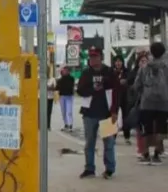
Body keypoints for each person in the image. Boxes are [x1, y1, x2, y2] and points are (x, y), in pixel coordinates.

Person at [76, 48, 118, 179]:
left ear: (101, 57)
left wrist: (114, 111)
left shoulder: (109, 72)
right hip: (89, 113)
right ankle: (89, 168)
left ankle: (110, 168)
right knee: (89, 142)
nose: (93, 59)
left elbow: (116, 92)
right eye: (91, 57)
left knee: (109, 143)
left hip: (106, 113)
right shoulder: (86, 73)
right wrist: (92, 89)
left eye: (96, 57)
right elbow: (80, 90)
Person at [133, 41, 168, 165]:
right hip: (163, 102)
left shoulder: (145, 67)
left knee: (147, 128)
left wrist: (143, 94)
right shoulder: (167, 67)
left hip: (147, 102)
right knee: (160, 129)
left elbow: (137, 85)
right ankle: (157, 154)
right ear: (163, 52)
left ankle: (146, 154)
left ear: (151, 52)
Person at [111, 57, 131, 144]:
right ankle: (112, 136)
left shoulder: (127, 71)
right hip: (115, 96)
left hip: (125, 96)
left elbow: (131, 81)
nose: (118, 63)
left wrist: (125, 81)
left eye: (120, 62)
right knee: (113, 115)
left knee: (126, 116)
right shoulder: (111, 71)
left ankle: (127, 136)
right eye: (116, 62)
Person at [56, 66, 76, 132]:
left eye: (66, 70)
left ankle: (70, 124)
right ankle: (66, 124)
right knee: (63, 111)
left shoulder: (71, 78)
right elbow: (57, 88)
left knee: (69, 111)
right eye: (63, 70)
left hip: (69, 96)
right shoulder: (60, 79)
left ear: (68, 71)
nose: (64, 71)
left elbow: (70, 86)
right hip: (62, 96)